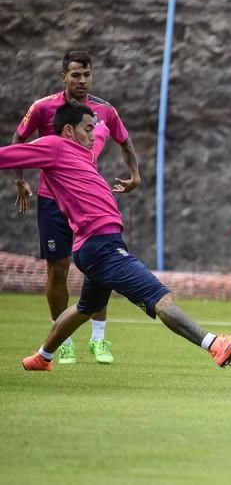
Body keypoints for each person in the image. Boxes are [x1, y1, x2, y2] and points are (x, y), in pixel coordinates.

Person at [0, 100, 231, 371]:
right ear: (69, 131)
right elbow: (7, 155)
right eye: (86, 128)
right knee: (160, 297)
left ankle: (42, 357)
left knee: (86, 308)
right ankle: (215, 344)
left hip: (97, 245)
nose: (90, 133)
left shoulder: (83, 152)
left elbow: (102, 130)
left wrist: (104, 123)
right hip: (101, 247)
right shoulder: (53, 146)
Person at [11, 50, 141, 365]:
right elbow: (19, 139)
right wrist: (20, 180)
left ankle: (99, 339)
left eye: (87, 75)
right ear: (63, 77)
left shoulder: (104, 111)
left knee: (101, 266)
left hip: (88, 201)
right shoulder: (44, 108)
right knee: (57, 268)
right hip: (53, 200)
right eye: (75, 75)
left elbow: (125, 141)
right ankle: (63, 340)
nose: (82, 81)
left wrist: (135, 175)